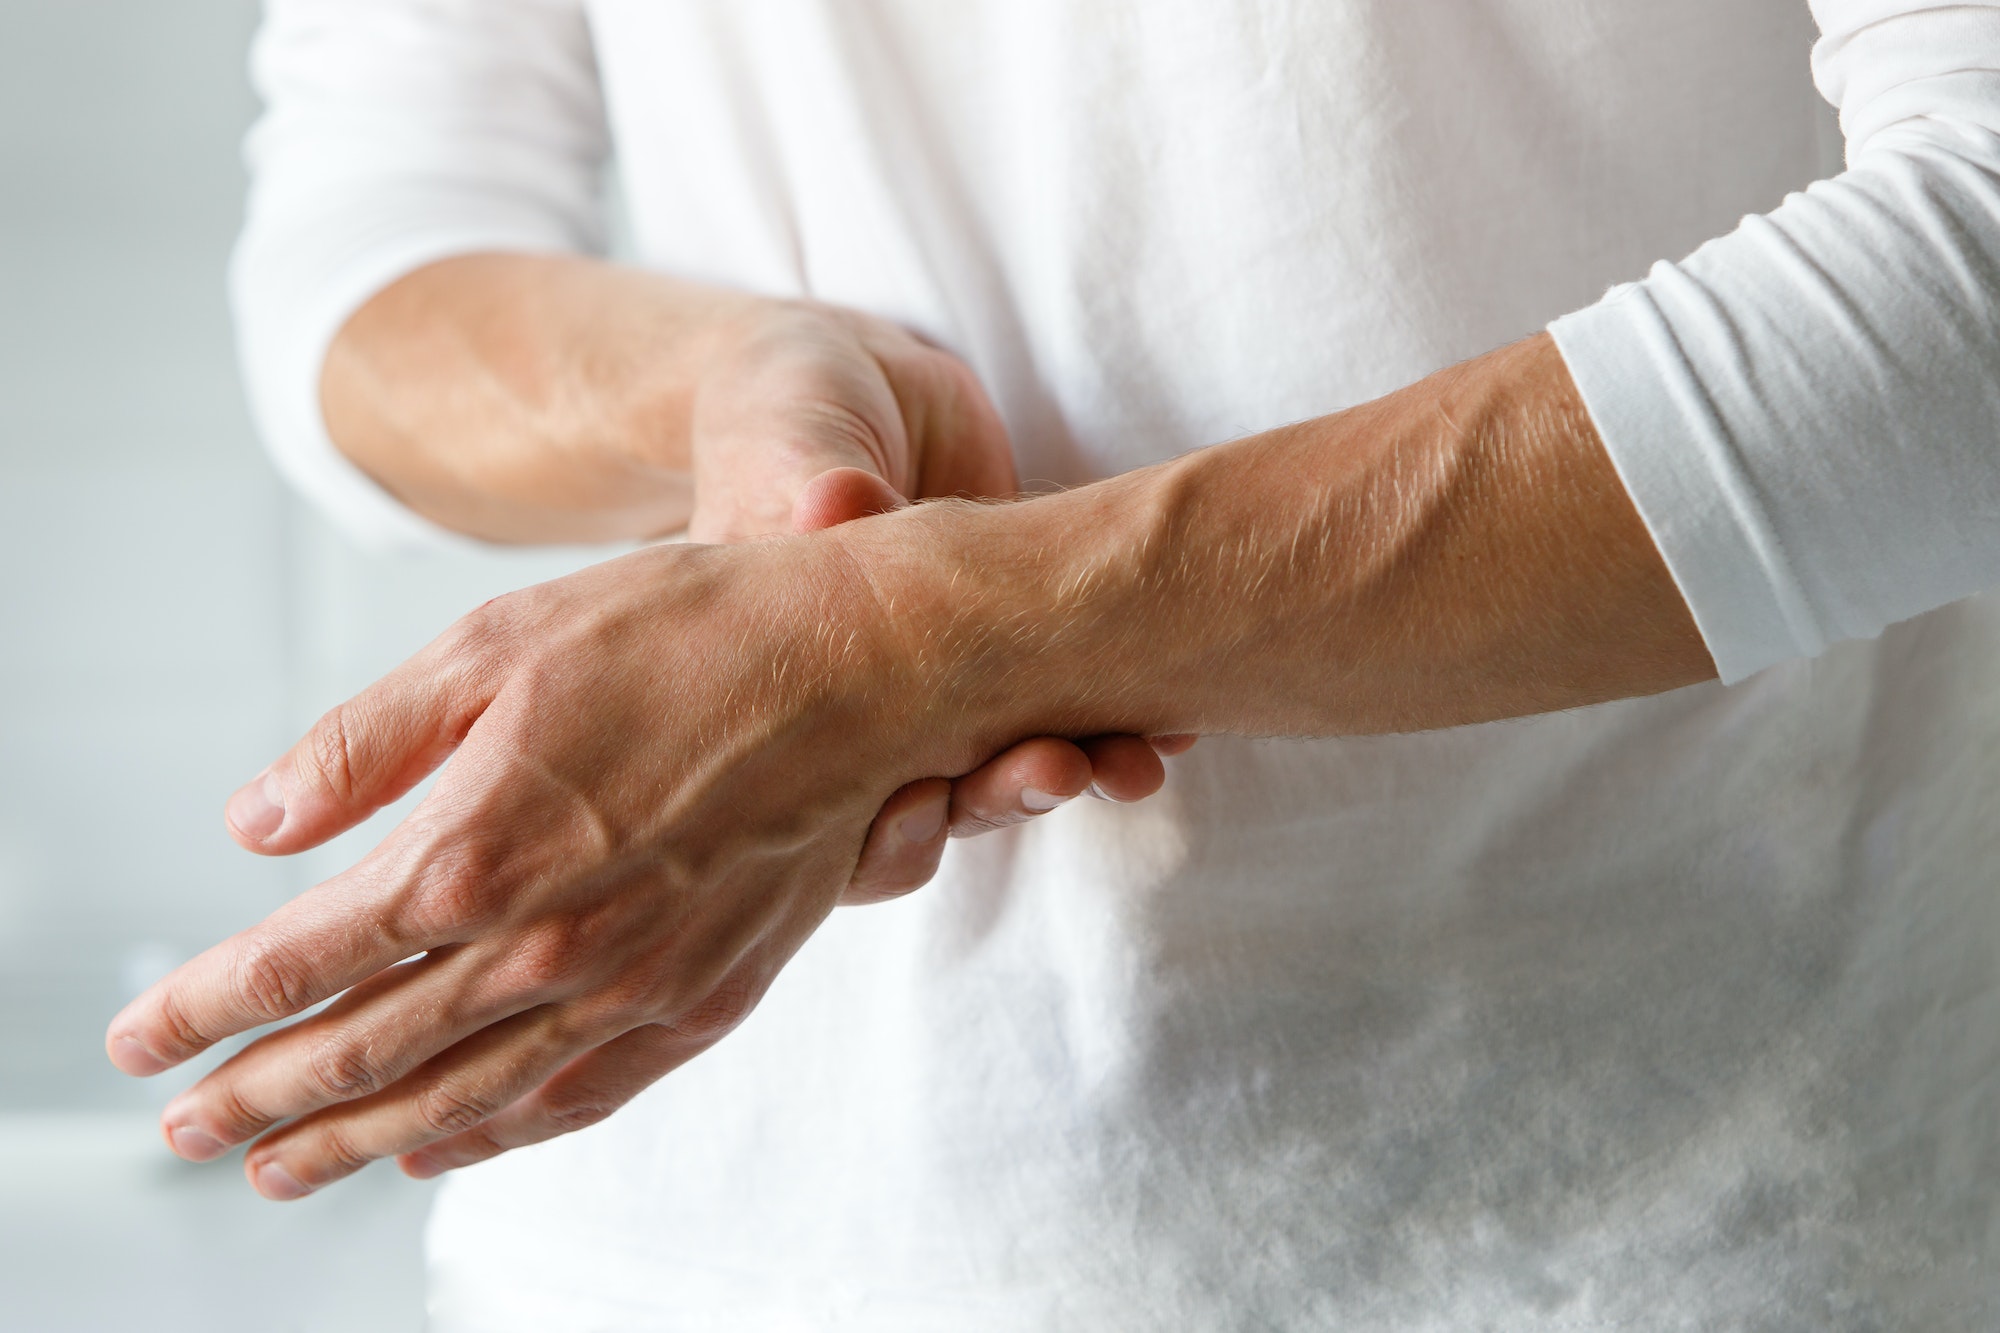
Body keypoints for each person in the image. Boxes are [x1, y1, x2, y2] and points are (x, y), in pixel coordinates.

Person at [106, 0, 2000, 1326]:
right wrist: (743, 388)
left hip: (1680, 1217)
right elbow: (365, 247)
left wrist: (930, 639)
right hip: (697, 1250)